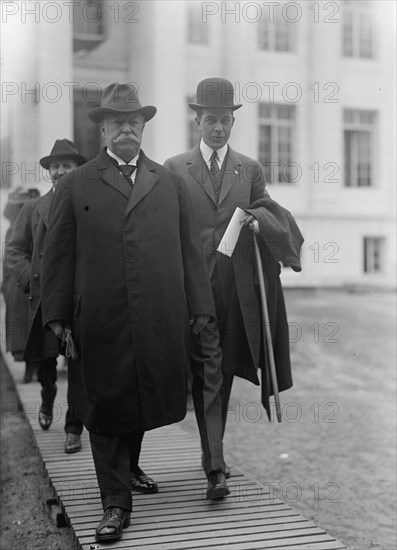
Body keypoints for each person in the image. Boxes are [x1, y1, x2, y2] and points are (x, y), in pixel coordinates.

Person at [40, 82, 215, 543]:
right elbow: (56, 252)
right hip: (98, 316)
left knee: (140, 395)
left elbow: (190, 250)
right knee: (104, 402)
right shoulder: (76, 183)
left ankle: (129, 468)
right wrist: (58, 317)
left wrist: (200, 306)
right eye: (117, 122)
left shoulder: (170, 182)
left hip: (158, 313)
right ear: (101, 128)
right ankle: (115, 503)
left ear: (143, 128)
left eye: (133, 122)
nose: (126, 130)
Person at [164, 77, 304, 485]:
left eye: (225, 121)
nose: (219, 128)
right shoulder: (175, 168)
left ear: (232, 122)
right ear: (197, 121)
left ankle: (214, 462)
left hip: (236, 288)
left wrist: (261, 223)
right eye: (211, 120)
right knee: (201, 370)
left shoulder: (249, 168)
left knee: (218, 372)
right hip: (193, 287)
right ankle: (212, 462)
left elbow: (267, 210)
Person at [6, 140, 86, 454]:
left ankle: (73, 429)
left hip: (80, 300)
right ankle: (47, 397)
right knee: (48, 364)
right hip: (45, 299)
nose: (60, 171)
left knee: (79, 368)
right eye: (55, 166)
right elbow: (14, 250)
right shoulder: (33, 208)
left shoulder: (90, 204)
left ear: (78, 169)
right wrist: (30, 279)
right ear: (49, 172)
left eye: (67, 165)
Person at [2, 186, 40, 383]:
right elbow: (8, 258)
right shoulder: (15, 229)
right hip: (21, 282)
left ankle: (32, 368)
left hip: (26, 282)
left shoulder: (26, 224)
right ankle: (31, 367)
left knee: (30, 329)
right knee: (27, 329)